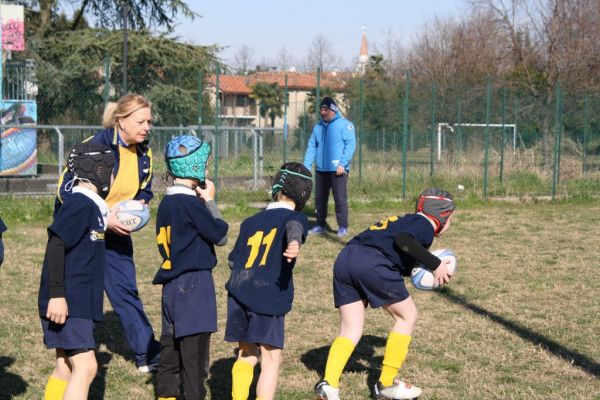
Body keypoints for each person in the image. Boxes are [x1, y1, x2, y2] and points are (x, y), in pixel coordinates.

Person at [314, 188, 456, 400]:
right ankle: (386, 384)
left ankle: (329, 385)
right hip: (372, 262)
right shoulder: (425, 225)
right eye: (452, 218)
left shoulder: (405, 219)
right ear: (443, 215)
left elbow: (398, 248)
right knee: (407, 316)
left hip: (346, 258)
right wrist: (435, 265)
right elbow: (404, 241)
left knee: (350, 329)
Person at [56, 94, 161, 372]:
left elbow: (144, 188)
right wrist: (104, 217)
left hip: (117, 235)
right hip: (84, 233)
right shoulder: (91, 148)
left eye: (149, 121)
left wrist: (140, 204)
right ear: (120, 121)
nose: (147, 127)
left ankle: (148, 355)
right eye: (141, 121)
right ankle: (73, 352)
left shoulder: (144, 152)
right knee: (80, 295)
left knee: (126, 291)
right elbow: (64, 193)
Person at [225, 162, 313, 400]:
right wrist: (294, 242)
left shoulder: (250, 221)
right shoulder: (295, 217)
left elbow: (233, 261)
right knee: (271, 357)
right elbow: (293, 226)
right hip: (267, 292)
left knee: (247, 352)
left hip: (238, 291)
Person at [153, 135, 229, 400]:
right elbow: (220, 236)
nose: (207, 170)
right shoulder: (191, 204)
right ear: (194, 167)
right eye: (204, 164)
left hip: (170, 288)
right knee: (195, 362)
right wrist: (209, 201)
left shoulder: (166, 203)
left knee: (170, 357)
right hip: (194, 288)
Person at [39, 143, 116, 400]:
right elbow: (56, 244)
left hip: (77, 300)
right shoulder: (80, 204)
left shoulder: (90, 206)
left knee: (65, 367)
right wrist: (57, 295)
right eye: (112, 171)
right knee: (86, 366)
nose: (114, 178)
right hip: (69, 301)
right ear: (100, 170)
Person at [303, 96, 356, 237]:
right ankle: (320, 224)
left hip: (338, 170)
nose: (322, 112)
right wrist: (306, 166)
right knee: (320, 199)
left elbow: (350, 145)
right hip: (321, 169)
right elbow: (311, 147)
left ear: (333, 110)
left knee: (339, 199)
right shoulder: (318, 128)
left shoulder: (345, 125)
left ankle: (343, 226)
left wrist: (342, 164)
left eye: (325, 109)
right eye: (321, 109)